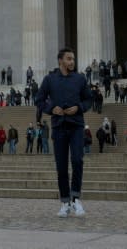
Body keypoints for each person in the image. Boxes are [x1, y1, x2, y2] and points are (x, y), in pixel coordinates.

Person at [35, 46, 93, 218]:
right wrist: (52, 109)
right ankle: (65, 202)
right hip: (59, 126)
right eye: (69, 59)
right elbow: (39, 100)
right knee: (61, 166)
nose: (72, 62)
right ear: (60, 60)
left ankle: (76, 198)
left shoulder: (80, 79)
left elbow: (89, 99)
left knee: (77, 160)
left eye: (73, 59)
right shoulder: (50, 79)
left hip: (76, 125)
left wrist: (79, 107)